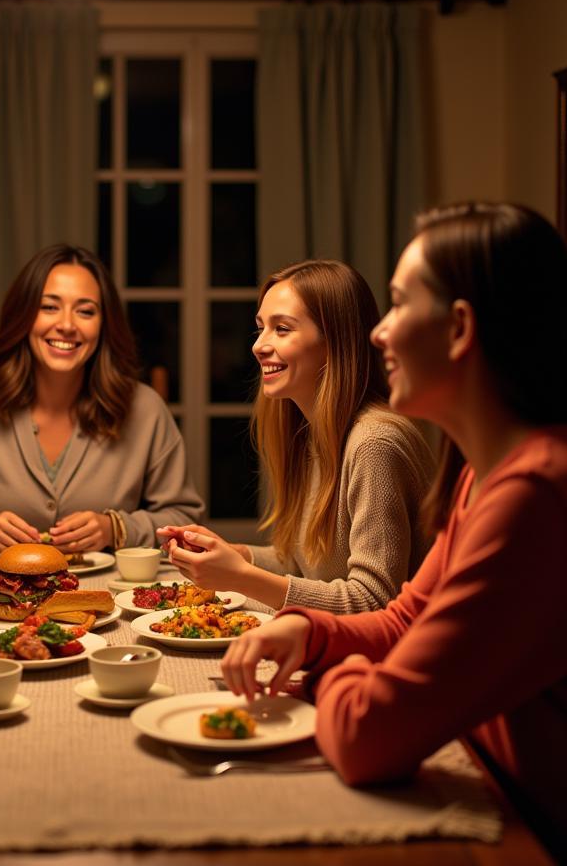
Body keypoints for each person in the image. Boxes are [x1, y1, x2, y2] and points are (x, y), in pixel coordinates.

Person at [220, 203, 567, 843]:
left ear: (460, 329)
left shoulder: (536, 493)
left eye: (401, 304)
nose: (378, 333)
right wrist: (311, 632)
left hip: (529, 840)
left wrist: (330, 667)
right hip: (485, 779)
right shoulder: (480, 475)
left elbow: (365, 739)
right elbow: (404, 618)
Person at [160, 260, 434, 613]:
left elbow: (373, 603)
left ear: (334, 340)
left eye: (282, 329)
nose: (259, 345)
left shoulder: (374, 444)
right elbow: (302, 565)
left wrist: (240, 577)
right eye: (260, 328)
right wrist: (236, 556)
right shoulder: (311, 432)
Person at [0, 244, 203, 554]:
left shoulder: (144, 409)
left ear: (104, 325)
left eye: (85, 311)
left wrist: (117, 528)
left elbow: (185, 520)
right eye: (49, 307)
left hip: (109, 599)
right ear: (24, 316)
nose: (67, 325)